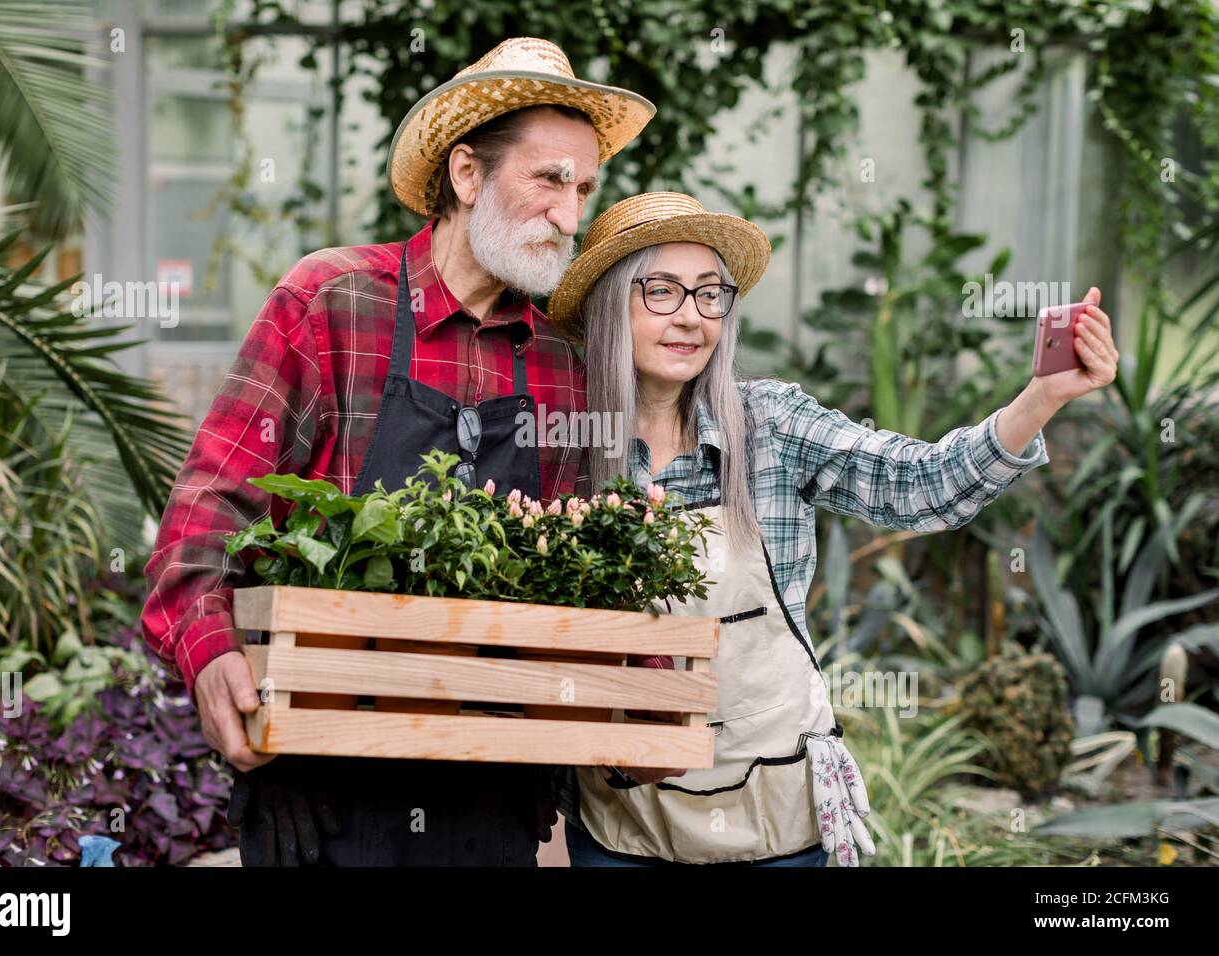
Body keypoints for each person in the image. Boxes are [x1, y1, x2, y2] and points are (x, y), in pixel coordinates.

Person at [140, 38, 655, 866]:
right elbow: (206, 515)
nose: (572, 213)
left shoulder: (563, 362)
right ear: (464, 175)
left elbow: (590, 567)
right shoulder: (333, 302)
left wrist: (640, 689)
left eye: (585, 188)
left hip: (491, 790)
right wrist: (209, 656)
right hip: (319, 781)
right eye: (550, 180)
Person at [543, 191, 1120, 866]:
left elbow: (922, 484)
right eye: (662, 291)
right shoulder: (563, 446)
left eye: (709, 294)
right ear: (611, 305)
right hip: (623, 825)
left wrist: (1043, 397)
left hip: (777, 817)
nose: (692, 317)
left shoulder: (772, 426)